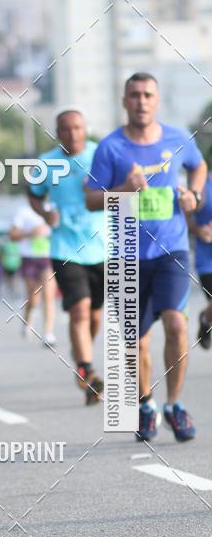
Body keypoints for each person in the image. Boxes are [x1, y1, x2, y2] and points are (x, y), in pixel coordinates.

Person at [85, 72, 207, 441]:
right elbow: (91, 199)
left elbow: (198, 166)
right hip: (127, 255)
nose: (141, 101)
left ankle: (175, 404)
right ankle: (146, 404)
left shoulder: (177, 138)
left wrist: (194, 196)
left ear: (157, 101)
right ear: (124, 101)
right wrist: (124, 189)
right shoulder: (111, 148)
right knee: (135, 340)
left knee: (176, 324)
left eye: (148, 95)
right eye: (134, 95)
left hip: (172, 250)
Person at [29, 109, 105, 403]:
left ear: (84, 129)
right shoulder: (46, 163)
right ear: (57, 133)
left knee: (94, 316)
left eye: (77, 127)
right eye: (65, 129)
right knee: (80, 311)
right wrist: (45, 212)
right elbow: (34, 195)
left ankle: (82, 353)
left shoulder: (100, 155)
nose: (72, 134)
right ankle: (88, 370)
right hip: (65, 248)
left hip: (101, 247)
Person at [9, 199, 57, 345]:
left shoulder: (53, 207)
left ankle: (48, 333)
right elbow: (12, 235)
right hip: (29, 258)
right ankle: (28, 318)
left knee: (49, 294)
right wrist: (31, 233)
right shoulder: (23, 210)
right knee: (33, 297)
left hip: (48, 257)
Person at [190, 167, 212, 349]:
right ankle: (206, 318)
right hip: (208, 262)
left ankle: (206, 317)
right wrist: (198, 230)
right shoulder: (202, 186)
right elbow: (185, 215)